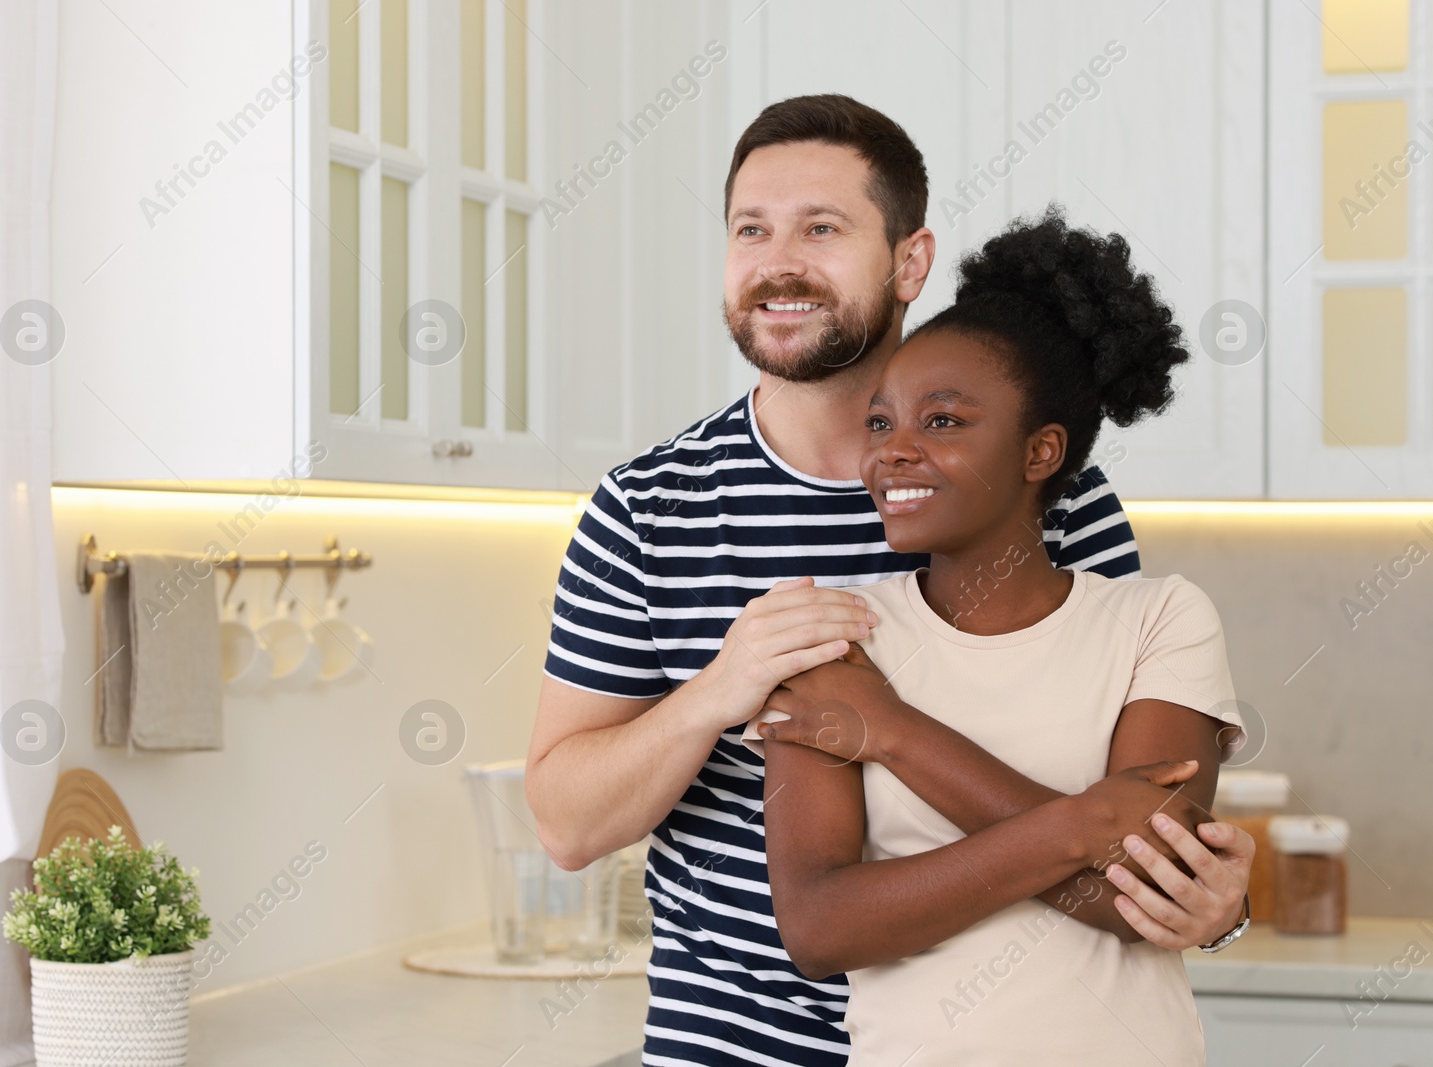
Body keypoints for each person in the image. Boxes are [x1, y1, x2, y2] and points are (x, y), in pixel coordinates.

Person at [526, 94, 1254, 1067]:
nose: (778, 263)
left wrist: (1215, 905)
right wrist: (716, 690)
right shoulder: (649, 506)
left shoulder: (1051, 502)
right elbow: (568, 823)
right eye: (751, 229)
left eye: (820, 228)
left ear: (909, 260)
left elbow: (1129, 830)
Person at [748, 207, 1239, 1065]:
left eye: (942, 421)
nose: (892, 453)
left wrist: (893, 734)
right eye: (880, 422)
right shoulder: (832, 636)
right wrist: (1090, 821)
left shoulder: (1159, 618)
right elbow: (821, 928)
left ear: (1040, 450)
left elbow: (1140, 899)